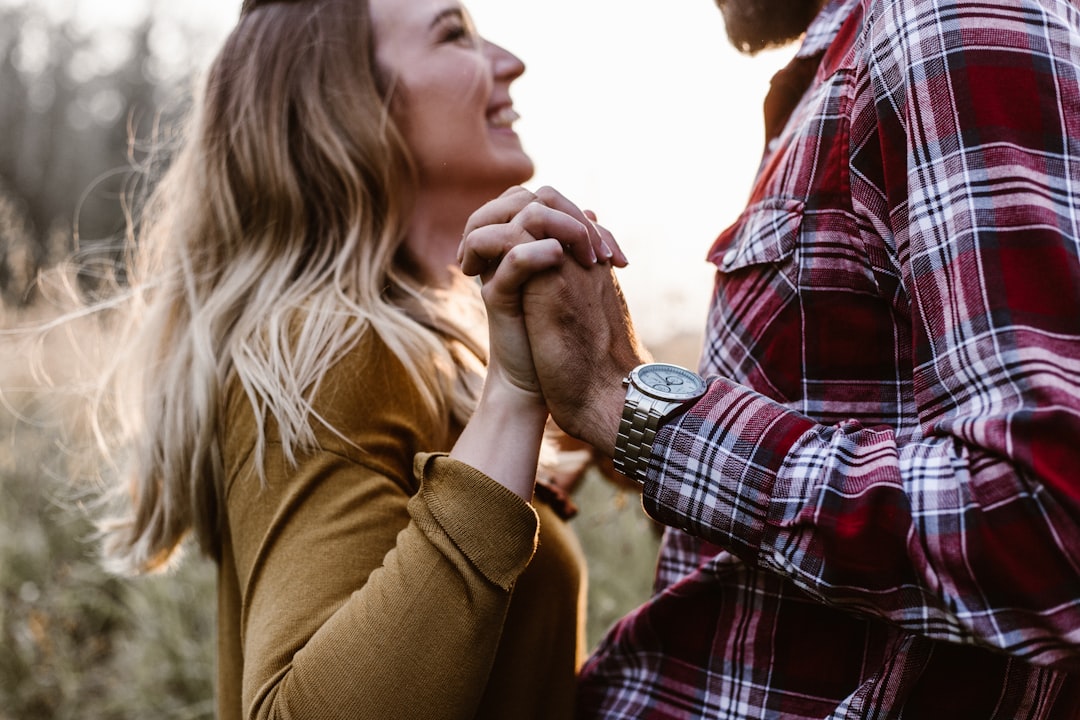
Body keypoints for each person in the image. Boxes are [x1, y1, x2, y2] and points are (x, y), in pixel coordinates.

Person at [460, 0, 1080, 716]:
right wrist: (625, 391)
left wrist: (626, 405)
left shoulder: (946, 21)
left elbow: (1042, 519)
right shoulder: (857, 62)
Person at [76, 0, 622, 718]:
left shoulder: (420, 350)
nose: (507, 62)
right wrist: (514, 399)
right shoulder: (330, 350)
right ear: (347, 101)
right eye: (453, 32)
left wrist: (610, 376)